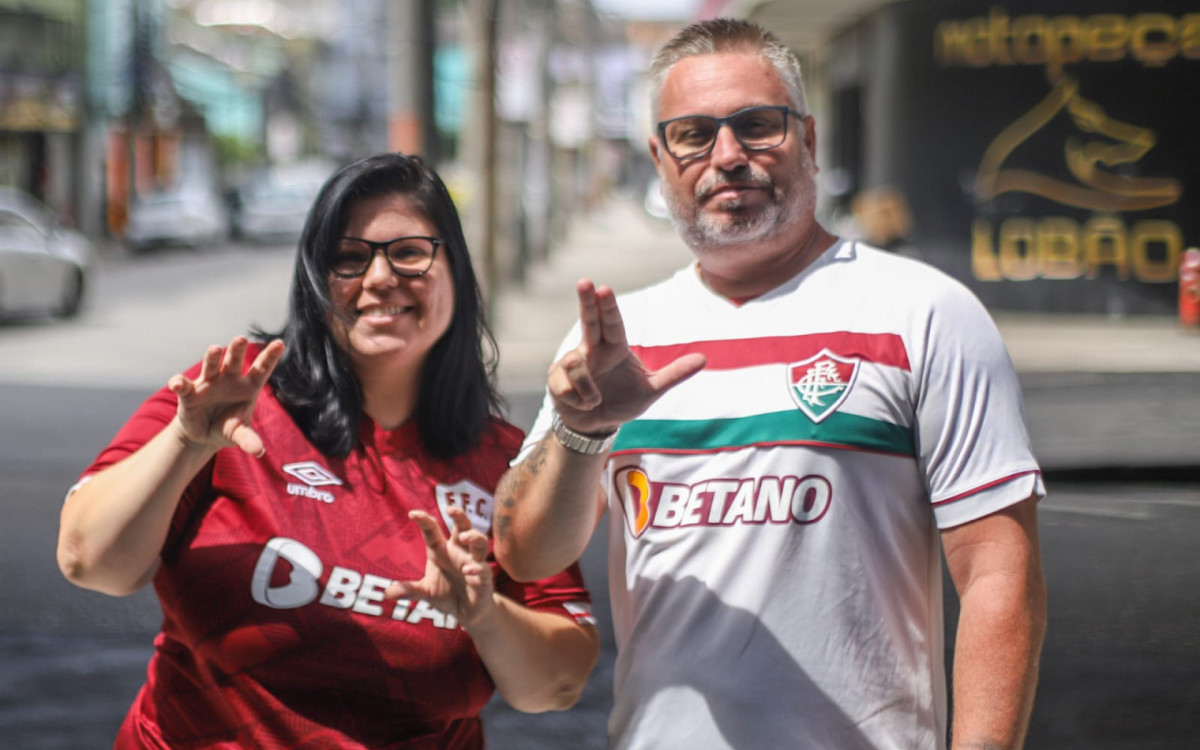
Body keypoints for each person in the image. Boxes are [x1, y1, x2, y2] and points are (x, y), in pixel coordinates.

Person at [494, 18, 1046, 750]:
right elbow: (526, 555)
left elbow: (1000, 583)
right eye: (693, 134)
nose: (728, 156)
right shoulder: (614, 341)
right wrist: (580, 429)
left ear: (809, 141)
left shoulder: (926, 314)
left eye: (757, 126)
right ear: (660, 159)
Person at [57, 152, 601, 749]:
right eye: (348, 258)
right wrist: (186, 444)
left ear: (458, 272)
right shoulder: (229, 400)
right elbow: (90, 562)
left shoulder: (503, 461)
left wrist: (484, 614)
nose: (378, 279)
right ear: (316, 284)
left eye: (410, 253)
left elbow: (557, 684)